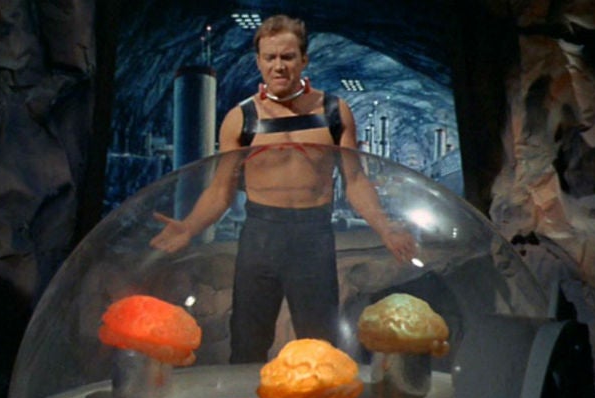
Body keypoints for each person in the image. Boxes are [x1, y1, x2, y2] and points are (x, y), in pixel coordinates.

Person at [150, 14, 416, 363]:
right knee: (247, 343)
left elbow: (354, 180)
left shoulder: (334, 112)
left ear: (303, 60)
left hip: (313, 235)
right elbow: (221, 189)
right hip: (261, 234)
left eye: (288, 57)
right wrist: (189, 227)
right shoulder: (241, 118)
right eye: (270, 57)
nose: (278, 66)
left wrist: (385, 227)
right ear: (258, 61)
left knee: (320, 345)